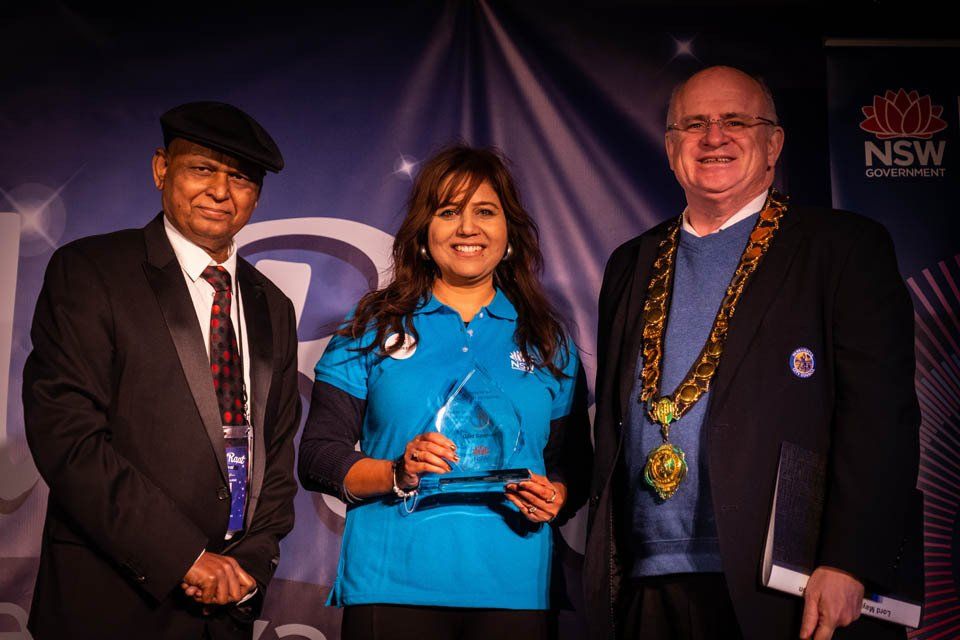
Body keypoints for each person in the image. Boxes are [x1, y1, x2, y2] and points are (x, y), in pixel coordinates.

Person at [583, 66, 921, 640]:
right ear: (671, 149)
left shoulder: (842, 248)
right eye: (694, 125)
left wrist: (848, 560)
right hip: (648, 582)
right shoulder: (630, 262)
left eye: (736, 121)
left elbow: (879, 419)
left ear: (774, 144)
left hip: (786, 586)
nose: (714, 137)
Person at [23, 101, 300, 639]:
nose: (221, 191)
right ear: (160, 169)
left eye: (240, 177)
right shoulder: (91, 271)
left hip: (225, 609)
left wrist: (250, 566)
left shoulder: (273, 305)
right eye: (202, 169)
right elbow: (68, 437)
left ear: (256, 195)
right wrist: (184, 557)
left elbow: (277, 451)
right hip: (112, 602)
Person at [298, 145, 590, 640]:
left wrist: (555, 495)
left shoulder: (548, 340)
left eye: (485, 211)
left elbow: (577, 466)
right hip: (390, 588)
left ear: (509, 231)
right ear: (423, 232)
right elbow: (317, 457)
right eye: (448, 211)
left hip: (517, 590)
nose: (467, 228)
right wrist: (397, 470)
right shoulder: (369, 327)